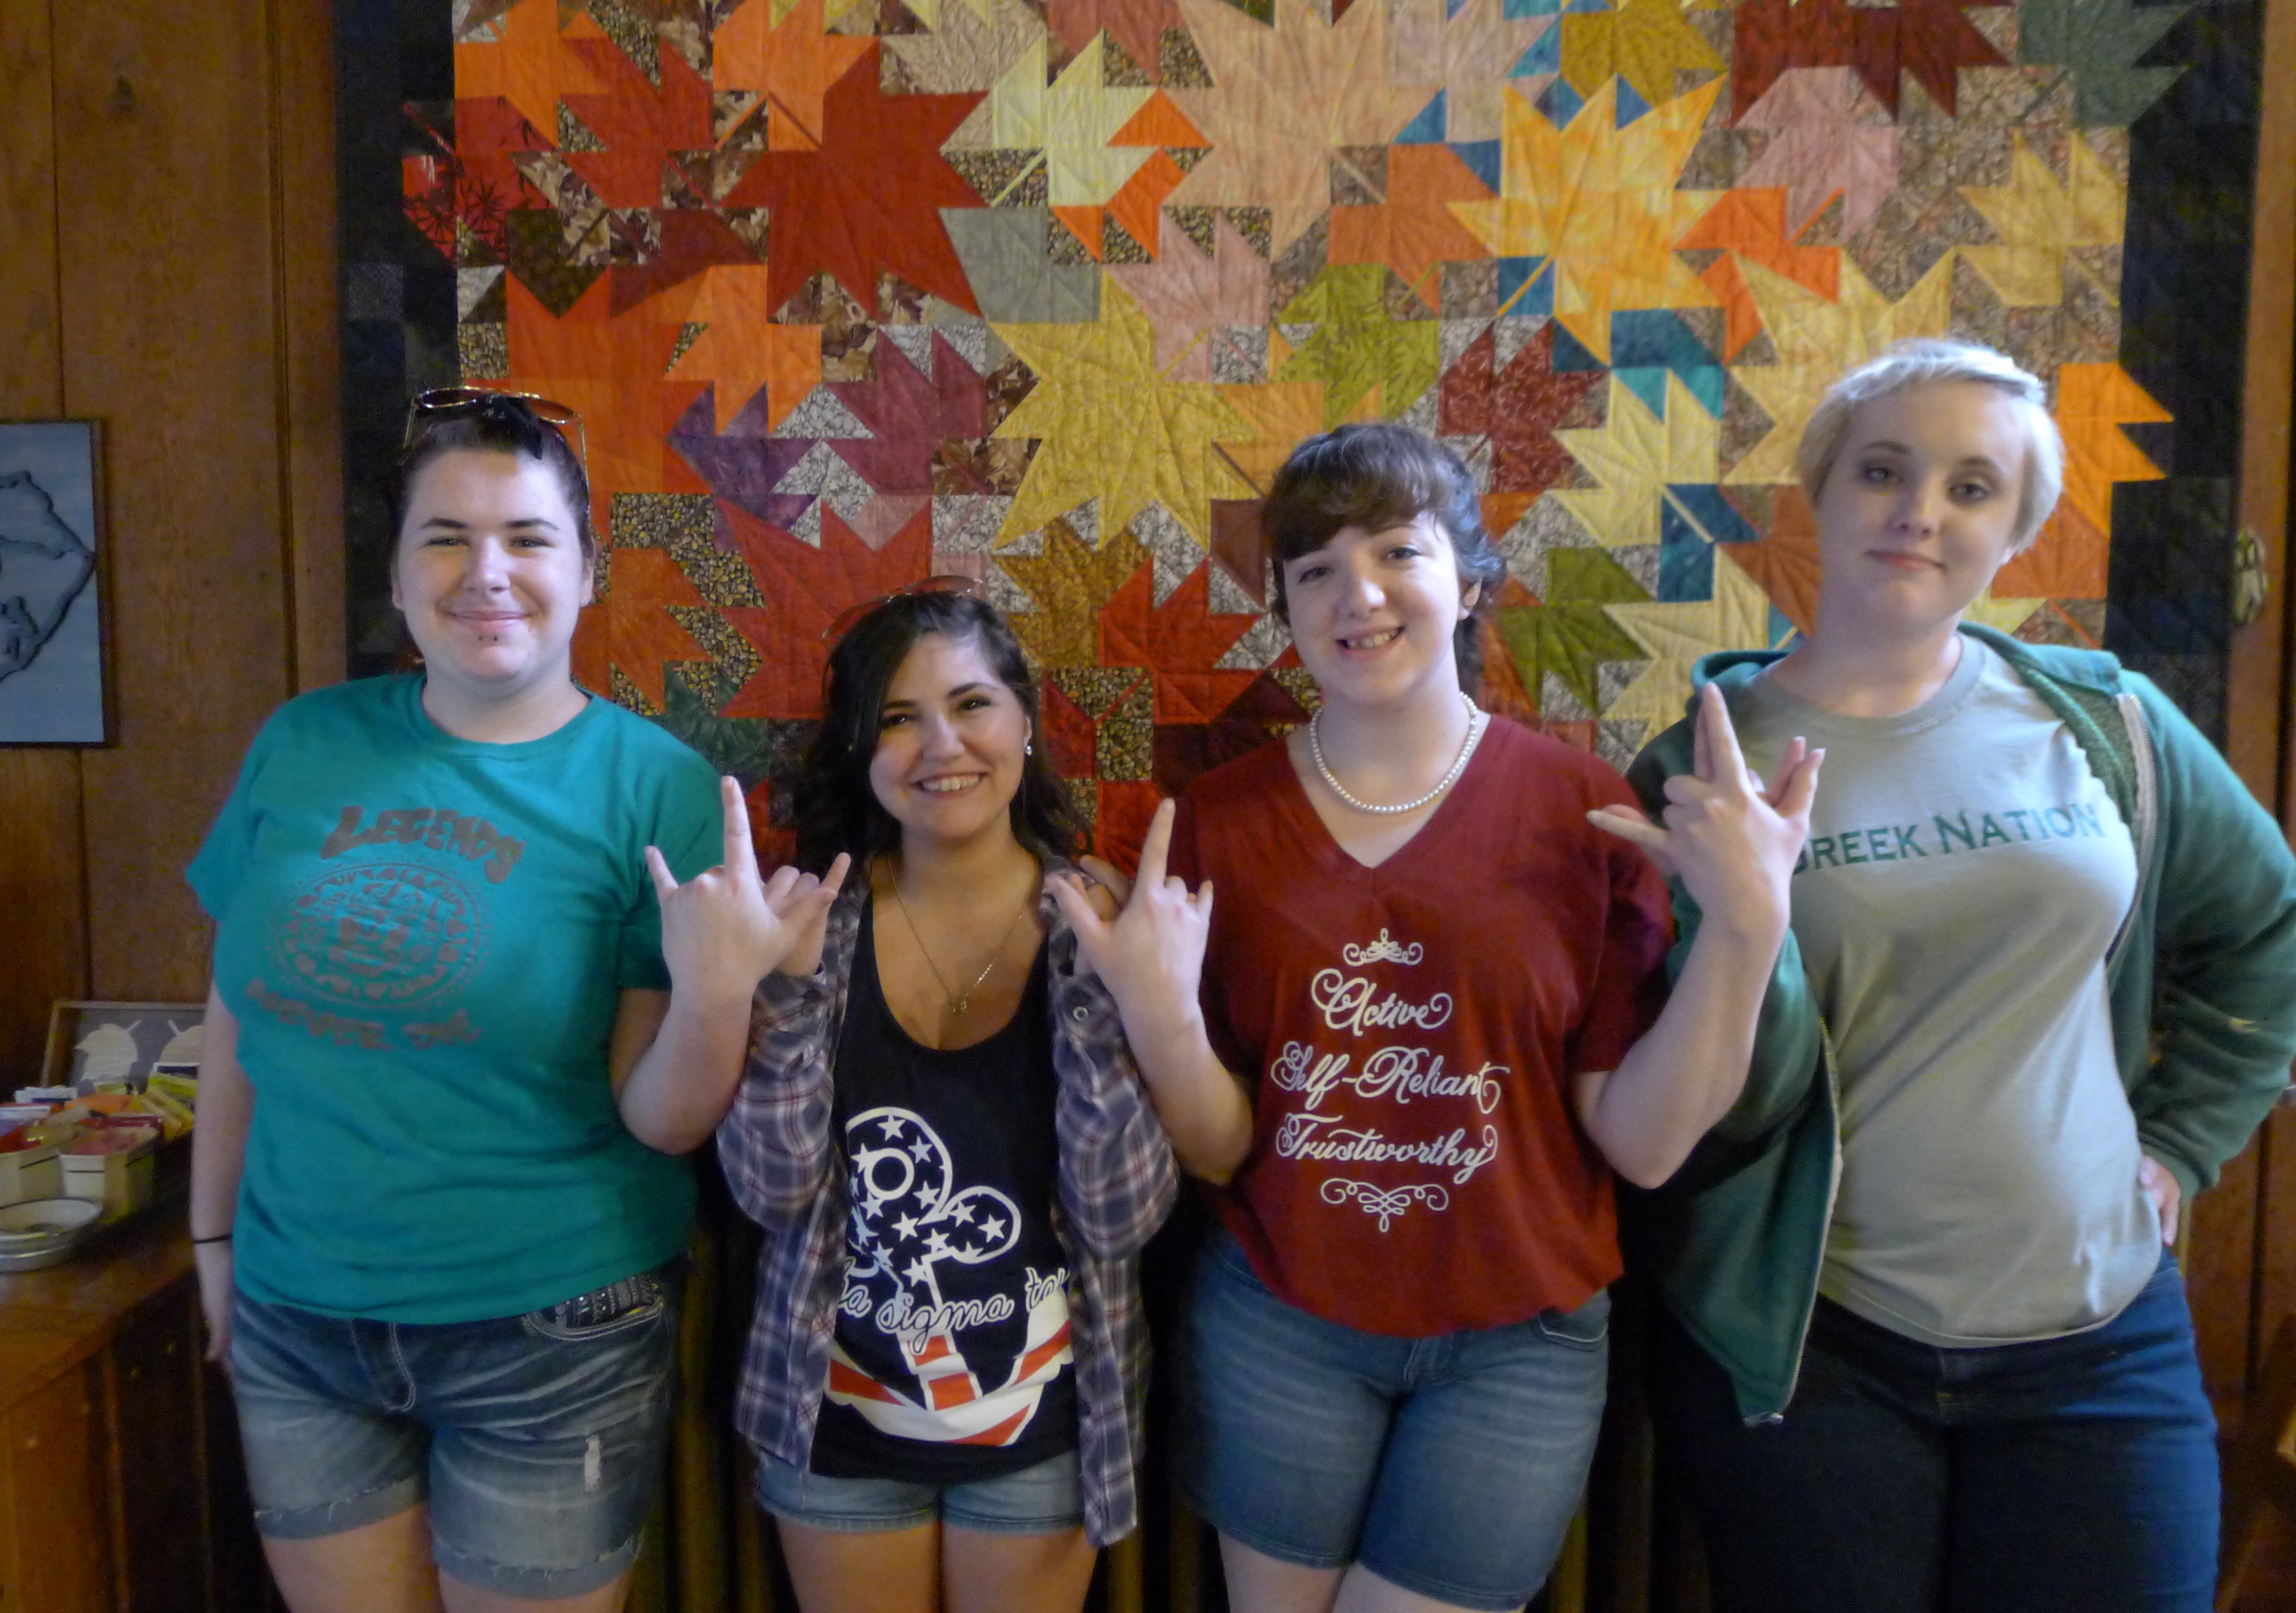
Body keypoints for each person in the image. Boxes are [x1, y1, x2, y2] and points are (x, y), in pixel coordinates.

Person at [1048, 421, 1822, 1613]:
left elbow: (1643, 1143)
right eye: (1316, 570)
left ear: (1467, 582)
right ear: (1288, 610)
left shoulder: (1583, 812)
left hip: (1520, 1342)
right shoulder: (1216, 823)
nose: (1357, 595)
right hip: (1281, 1324)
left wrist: (1747, 927)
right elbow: (1219, 1147)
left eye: (1397, 552)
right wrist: (1158, 1017)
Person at [1625, 339, 2296, 1612]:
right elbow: (1671, 1087)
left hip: (2102, 1343)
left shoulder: (2112, 725)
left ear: (2018, 531)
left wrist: (2185, 1142)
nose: (1919, 511)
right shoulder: (1698, 769)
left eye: (1971, 487)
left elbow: (2269, 929)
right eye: (1883, 470)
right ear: (1820, 491)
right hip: (1816, 1351)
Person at [186, 389, 782, 1612]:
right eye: (445, 538)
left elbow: (662, 1120)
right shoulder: (301, 743)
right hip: (298, 1320)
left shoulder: (657, 789)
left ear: (588, 572)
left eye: (527, 538)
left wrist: (718, 995)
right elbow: (237, 1013)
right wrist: (213, 1246)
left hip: (550, 1331)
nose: (486, 573)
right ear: (398, 576)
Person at [686, 585, 1178, 1613]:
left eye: (972, 704)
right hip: (833, 1424)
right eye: (899, 719)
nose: (942, 746)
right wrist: (783, 996)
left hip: (1047, 1428)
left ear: (1026, 722)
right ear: (862, 752)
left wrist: (1113, 1005)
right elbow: (772, 1193)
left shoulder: (1098, 919)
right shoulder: (813, 917)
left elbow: (1121, 1214)